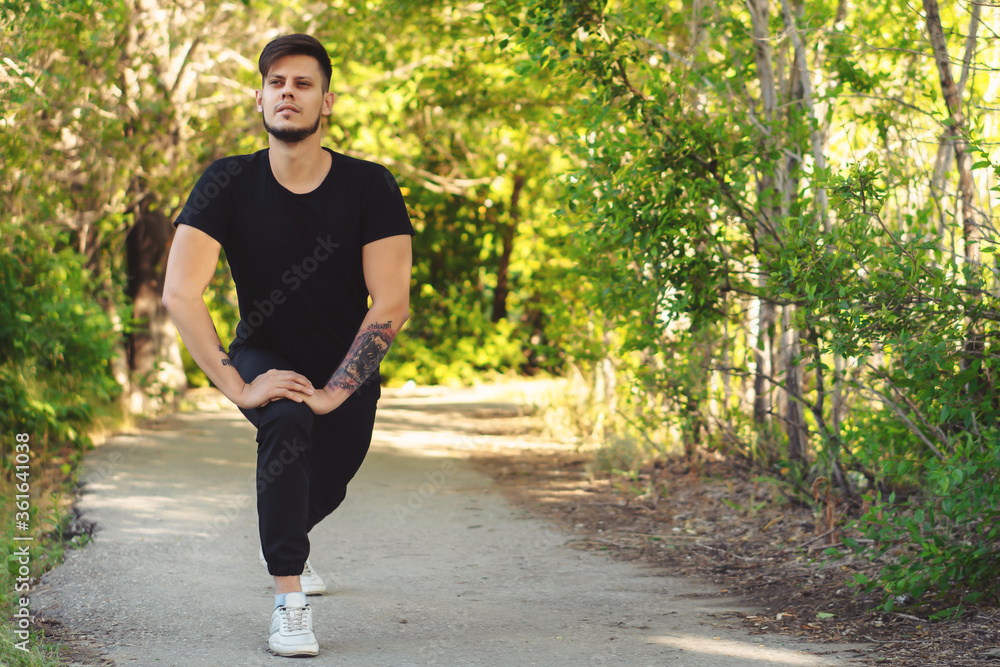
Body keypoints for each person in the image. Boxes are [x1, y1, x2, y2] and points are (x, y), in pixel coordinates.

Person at [162, 33, 414, 657]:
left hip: (344, 364)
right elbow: (180, 293)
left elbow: (391, 304)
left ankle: (289, 540)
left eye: (303, 84)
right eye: (276, 83)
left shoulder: (369, 186)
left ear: (326, 102)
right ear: (260, 98)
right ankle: (289, 600)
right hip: (263, 352)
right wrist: (240, 385)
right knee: (284, 419)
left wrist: (335, 392)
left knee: (325, 486)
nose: (288, 94)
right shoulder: (226, 182)